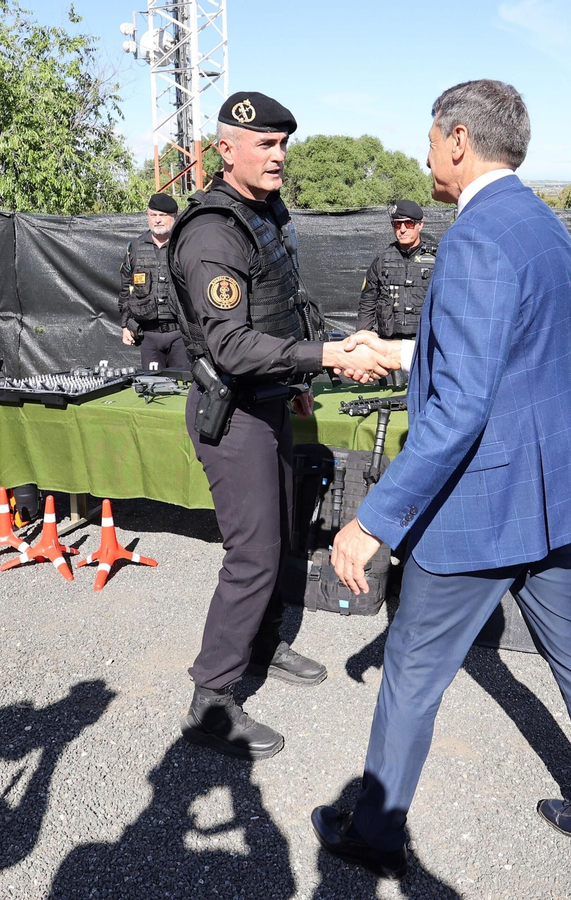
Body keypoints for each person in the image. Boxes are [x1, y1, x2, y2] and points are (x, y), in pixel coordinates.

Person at [311, 79, 571, 878]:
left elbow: (462, 407)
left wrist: (373, 520)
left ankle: (376, 836)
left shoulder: (471, 239)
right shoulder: (544, 226)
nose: (426, 152)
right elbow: (514, 357)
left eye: (431, 138)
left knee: (411, 670)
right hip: (541, 490)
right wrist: (395, 353)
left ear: (458, 140)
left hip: (480, 503)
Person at [167, 91, 388, 762]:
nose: (279, 156)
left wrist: (296, 381)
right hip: (232, 412)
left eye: (283, 144)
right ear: (223, 149)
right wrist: (326, 357)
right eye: (266, 144)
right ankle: (211, 698)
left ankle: (264, 645)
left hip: (269, 399)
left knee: (282, 534)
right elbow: (230, 346)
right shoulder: (211, 231)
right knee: (253, 552)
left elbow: (285, 306)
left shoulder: (265, 213)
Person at [119, 193, 189, 370]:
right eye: (153, 215)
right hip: (148, 335)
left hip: (180, 334)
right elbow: (126, 288)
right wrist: (125, 325)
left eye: (162, 215)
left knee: (183, 389)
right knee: (152, 388)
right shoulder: (135, 247)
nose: (157, 220)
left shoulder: (184, 244)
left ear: (175, 216)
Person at [356, 199, 437, 341]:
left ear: (420, 225)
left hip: (424, 341)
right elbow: (368, 302)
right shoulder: (382, 259)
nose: (403, 229)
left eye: (409, 223)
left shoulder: (436, 259)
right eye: (397, 224)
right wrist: (362, 337)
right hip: (389, 340)